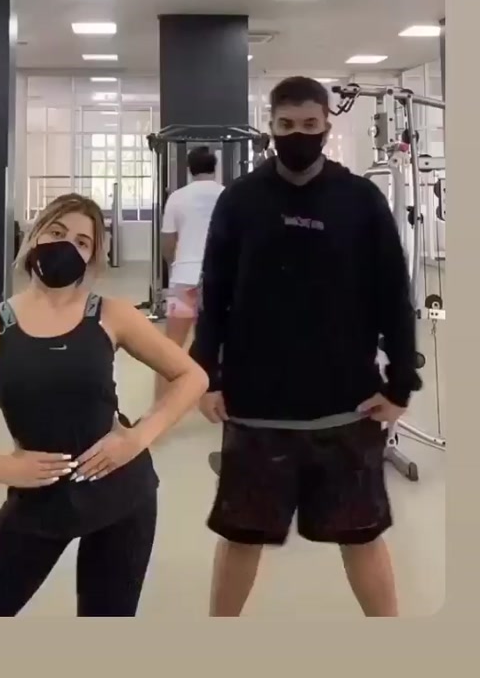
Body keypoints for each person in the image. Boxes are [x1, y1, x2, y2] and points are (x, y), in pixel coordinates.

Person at [0, 193, 208, 617]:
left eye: (83, 242)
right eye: (57, 232)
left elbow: (193, 377)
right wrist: (0, 466)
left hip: (122, 496)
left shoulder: (112, 315)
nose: (68, 246)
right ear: (34, 237)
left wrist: (137, 438)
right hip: (39, 502)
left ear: (92, 257)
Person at [190, 76, 421, 618]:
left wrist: (400, 384)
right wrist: (207, 375)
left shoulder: (361, 200)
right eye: (287, 125)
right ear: (271, 127)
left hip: (346, 405)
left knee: (362, 537)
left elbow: (393, 294)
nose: (299, 134)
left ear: (326, 126)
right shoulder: (240, 200)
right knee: (241, 537)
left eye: (310, 124)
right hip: (256, 406)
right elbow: (215, 293)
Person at [156, 146, 224, 397]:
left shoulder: (177, 197)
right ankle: (220, 401)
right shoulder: (227, 195)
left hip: (184, 280)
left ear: (189, 169)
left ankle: (161, 405)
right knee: (219, 345)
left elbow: (167, 243)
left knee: (170, 347)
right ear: (214, 167)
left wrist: (174, 268)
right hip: (216, 282)